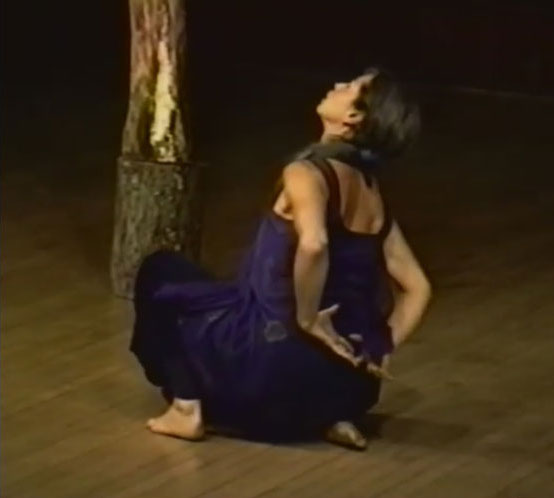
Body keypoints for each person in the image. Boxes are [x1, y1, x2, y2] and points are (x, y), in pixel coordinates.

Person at [130, 67, 432, 450]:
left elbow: (314, 243)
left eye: (351, 86)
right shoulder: (373, 195)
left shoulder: (307, 173)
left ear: (354, 117)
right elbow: (418, 287)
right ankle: (329, 415)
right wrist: (381, 347)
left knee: (160, 273)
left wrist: (307, 318)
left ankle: (186, 409)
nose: (338, 85)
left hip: (267, 375)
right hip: (348, 386)